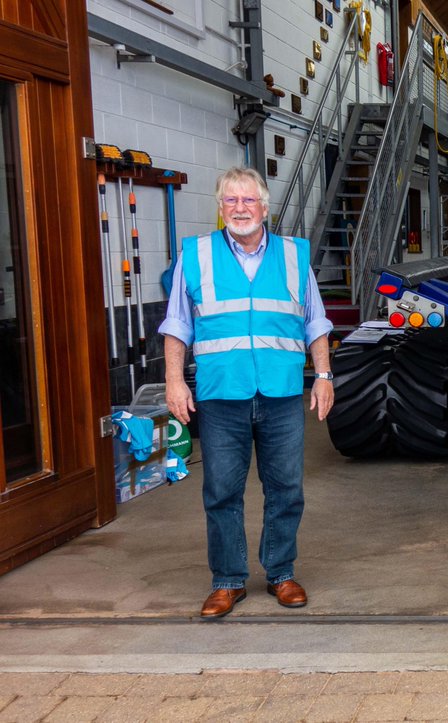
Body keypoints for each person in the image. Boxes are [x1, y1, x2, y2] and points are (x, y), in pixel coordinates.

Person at [160, 166, 334, 619]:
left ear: (265, 207)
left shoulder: (294, 256)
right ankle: (228, 580)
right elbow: (177, 324)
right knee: (221, 490)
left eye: (249, 200)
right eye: (231, 201)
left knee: (286, 488)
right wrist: (174, 380)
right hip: (221, 394)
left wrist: (324, 375)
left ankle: (280, 572)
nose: (240, 209)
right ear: (220, 209)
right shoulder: (195, 255)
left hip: (279, 392)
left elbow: (314, 320)